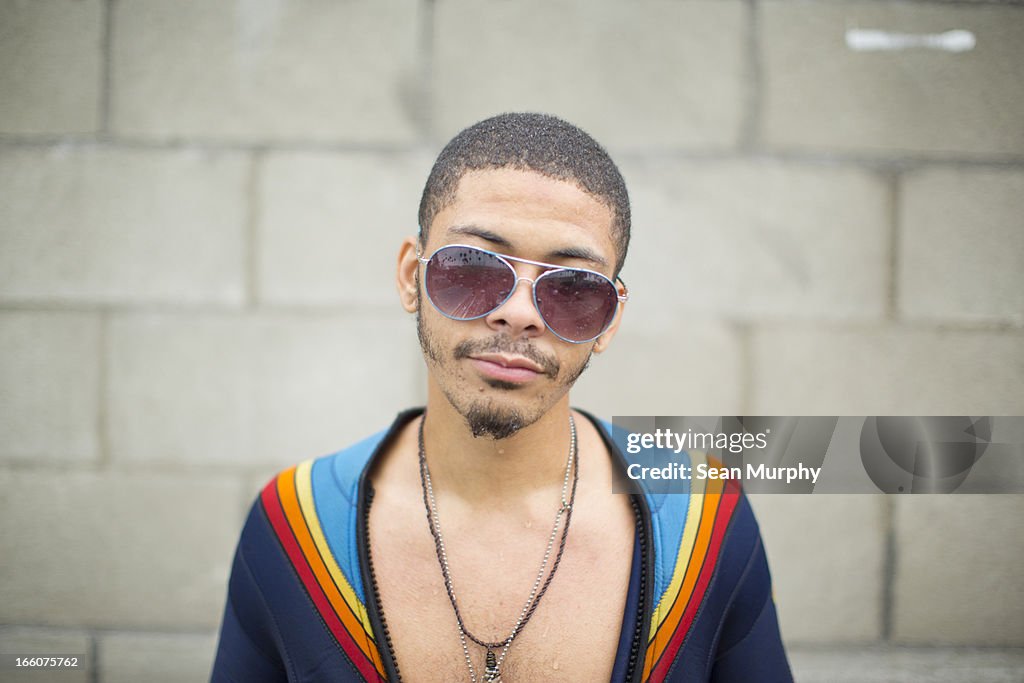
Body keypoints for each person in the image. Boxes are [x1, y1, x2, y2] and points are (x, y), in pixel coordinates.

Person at [210, 113, 792, 682]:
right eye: (472, 266)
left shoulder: (703, 518)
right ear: (412, 276)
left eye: (571, 287)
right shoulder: (294, 524)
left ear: (611, 320)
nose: (517, 313)